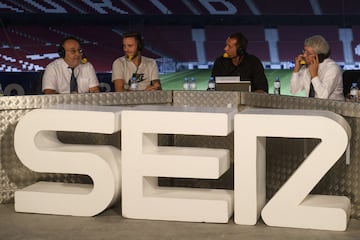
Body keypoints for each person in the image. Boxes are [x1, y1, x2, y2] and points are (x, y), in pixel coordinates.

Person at [290, 35, 344, 101]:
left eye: (308, 53)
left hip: (332, 109)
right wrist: (296, 70)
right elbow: (294, 90)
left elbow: (322, 97)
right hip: (312, 108)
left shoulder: (333, 69)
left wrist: (314, 76)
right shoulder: (306, 67)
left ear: (318, 56)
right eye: (304, 51)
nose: (304, 55)